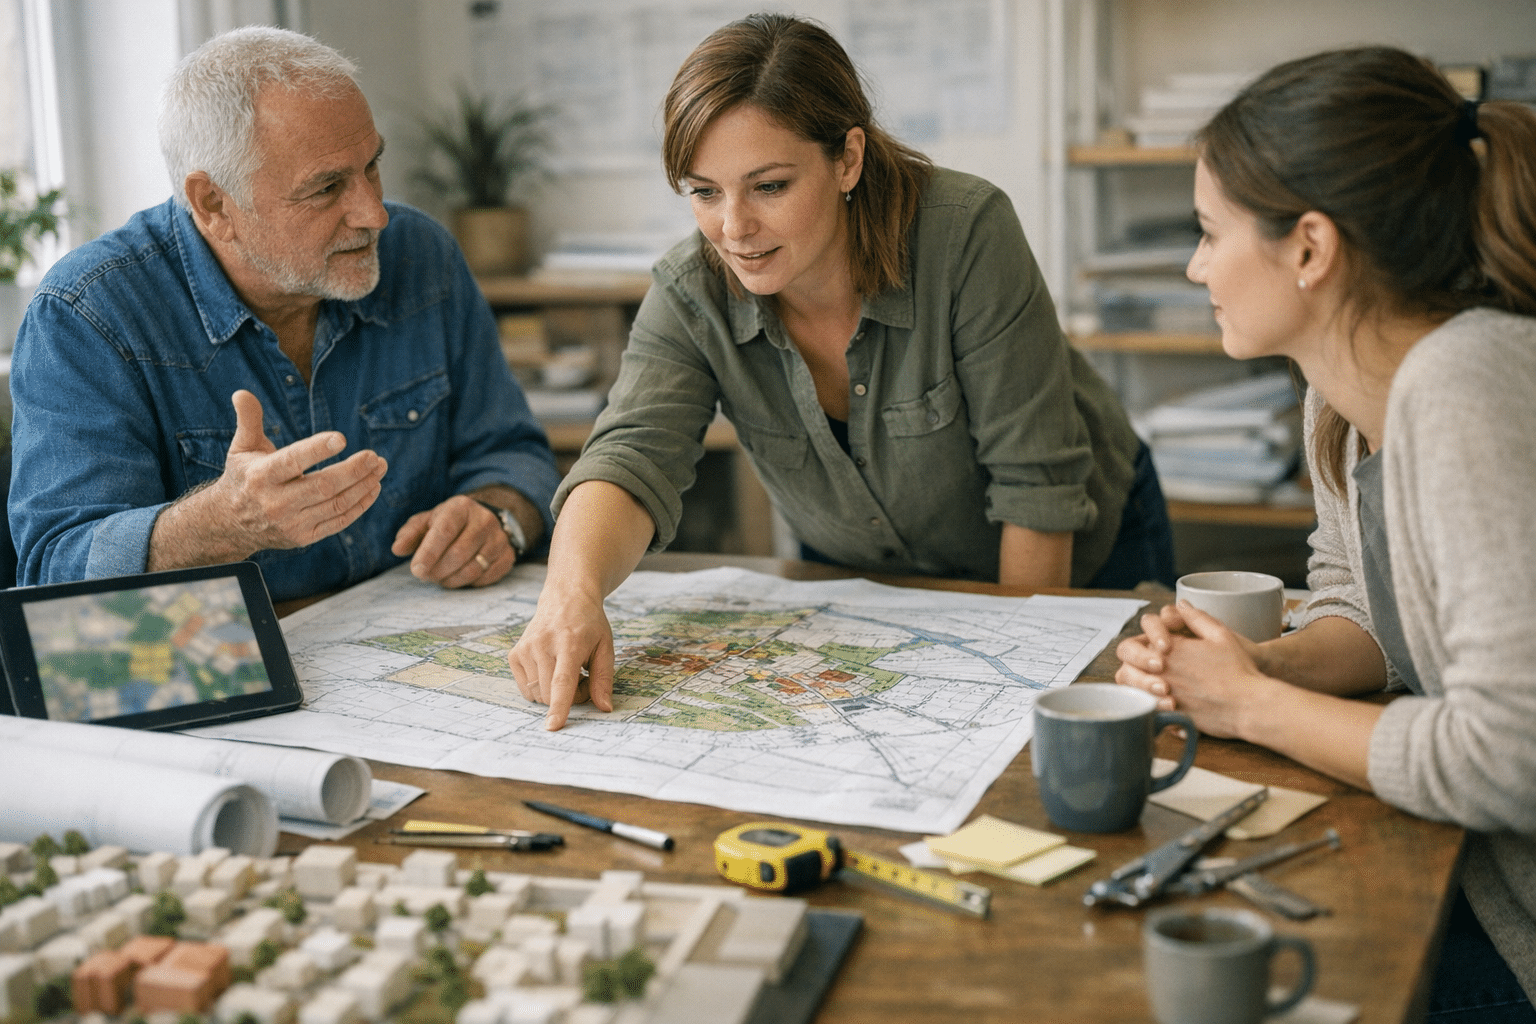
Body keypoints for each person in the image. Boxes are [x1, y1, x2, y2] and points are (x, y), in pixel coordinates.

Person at [509, 13, 1172, 730]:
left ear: (847, 158)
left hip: (1068, 558)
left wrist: (1009, 684)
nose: (734, 228)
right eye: (704, 192)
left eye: (768, 187)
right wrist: (570, 594)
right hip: (871, 583)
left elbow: (1037, 488)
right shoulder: (689, 288)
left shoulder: (967, 232)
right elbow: (631, 455)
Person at [1114, 48, 1536, 1020]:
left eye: (1211, 234)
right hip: (1469, 872)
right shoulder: (1340, 394)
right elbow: (1374, 615)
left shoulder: (1462, 384)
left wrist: (1256, 710)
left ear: (1309, 248)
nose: (1193, 265)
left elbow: (1508, 756)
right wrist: (1255, 667)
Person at [9, 27, 560, 606]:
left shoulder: (422, 254)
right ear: (214, 203)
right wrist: (221, 523)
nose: (374, 213)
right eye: (326, 188)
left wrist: (498, 516)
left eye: (372, 166)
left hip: (408, 637)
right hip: (225, 665)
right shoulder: (87, 314)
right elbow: (55, 573)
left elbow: (514, 450)